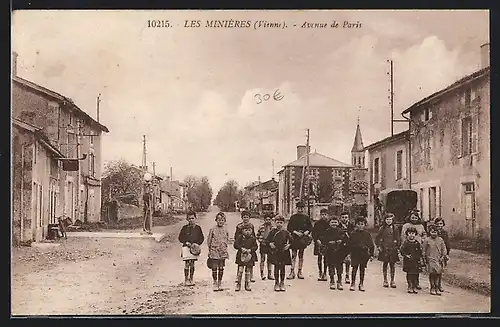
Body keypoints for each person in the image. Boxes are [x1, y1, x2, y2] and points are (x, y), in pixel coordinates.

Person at [400, 209, 426, 289]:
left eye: (415, 218)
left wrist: (423, 239)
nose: (414, 219)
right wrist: (405, 244)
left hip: (417, 247)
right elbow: (403, 236)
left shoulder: (421, 226)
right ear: (409, 217)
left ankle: (416, 283)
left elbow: (424, 234)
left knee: (417, 268)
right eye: (412, 217)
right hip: (408, 247)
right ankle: (410, 284)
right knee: (410, 269)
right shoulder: (406, 225)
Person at [347, 217, 375, 292]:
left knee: (362, 269)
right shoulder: (353, 234)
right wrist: (349, 254)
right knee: (354, 268)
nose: (360, 226)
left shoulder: (367, 234)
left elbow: (371, 245)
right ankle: (352, 283)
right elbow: (349, 245)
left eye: (362, 224)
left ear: (364, 225)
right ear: (356, 225)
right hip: (355, 253)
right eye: (358, 224)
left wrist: (371, 254)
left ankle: (361, 283)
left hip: (364, 254)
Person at [287, 201, 313, 279]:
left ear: (304, 209)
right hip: (294, 238)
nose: (300, 210)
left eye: (302, 208)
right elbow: (289, 227)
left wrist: (305, 233)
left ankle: (300, 271)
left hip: (302, 239)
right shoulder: (293, 217)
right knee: (293, 255)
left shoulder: (306, 217)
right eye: (299, 208)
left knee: (301, 255)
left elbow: (310, 227)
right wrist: (295, 232)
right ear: (296, 208)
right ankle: (292, 272)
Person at [321, 216, 349, 290]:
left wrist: (341, 242)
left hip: (339, 252)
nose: (334, 224)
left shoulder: (341, 231)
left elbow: (345, 240)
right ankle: (332, 281)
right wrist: (329, 242)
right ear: (329, 223)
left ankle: (339, 281)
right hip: (330, 252)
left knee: (339, 267)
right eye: (332, 222)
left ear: (338, 223)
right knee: (331, 266)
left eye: (335, 222)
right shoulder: (327, 231)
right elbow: (324, 240)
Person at [178, 211, 205, 286]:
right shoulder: (184, 228)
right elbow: (180, 237)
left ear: (195, 218)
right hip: (186, 248)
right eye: (189, 218)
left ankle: (191, 278)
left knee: (192, 263)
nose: (191, 220)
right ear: (187, 219)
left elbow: (201, 238)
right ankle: (186, 279)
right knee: (187, 263)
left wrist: (197, 244)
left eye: (192, 218)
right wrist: (185, 242)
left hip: (194, 249)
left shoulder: (198, 228)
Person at [267, 215, 293, 291]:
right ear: (275, 223)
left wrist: (289, 245)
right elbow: (267, 240)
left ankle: (282, 282)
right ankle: (276, 283)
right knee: (276, 268)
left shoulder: (286, 232)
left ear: (284, 223)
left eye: (281, 223)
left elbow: (292, 240)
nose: (279, 224)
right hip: (275, 252)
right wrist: (270, 244)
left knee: (282, 268)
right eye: (277, 222)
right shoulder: (272, 231)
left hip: (283, 252)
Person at [375, 213, 401, 288]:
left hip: (393, 248)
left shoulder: (395, 228)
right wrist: (379, 246)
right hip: (384, 249)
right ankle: (385, 280)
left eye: (390, 219)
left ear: (392, 220)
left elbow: (398, 238)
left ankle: (392, 280)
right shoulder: (382, 228)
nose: (389, 221)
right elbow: (377, 238)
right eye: (387, 219)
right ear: (385, 220)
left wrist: (397, 246)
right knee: (385, 264)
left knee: (392, 265)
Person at [422, 224, 448, 296]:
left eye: (435, 232)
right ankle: (432, 287)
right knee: (432, 274)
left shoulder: (440, 240)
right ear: (429, 232)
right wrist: (424, 258)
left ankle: (437, 287)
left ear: (438, 232)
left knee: (438, 274)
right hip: (430, 259)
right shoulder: (427, 240)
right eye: (432, 232)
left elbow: (444, 249)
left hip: (438, 259)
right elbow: (424, 250)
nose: (434, 233)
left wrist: (443, 256)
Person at [207, 212, 229, 291]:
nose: (220, 221)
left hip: (222, 251)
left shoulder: (225, 229)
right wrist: (210, 250)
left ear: (224, 221)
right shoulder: (212, 229)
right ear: (216, 220)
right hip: (214, 250)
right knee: (214, 267)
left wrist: (225, 248)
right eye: (219, 220)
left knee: (221, 267)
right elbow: (209, 241)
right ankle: (215, 282)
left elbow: (226, 239)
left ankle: (220, 283)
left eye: (222, 220)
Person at [400, 226, 424, 294]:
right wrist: (406, 255)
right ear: (407, 234)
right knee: (409, 274)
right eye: (410, 233)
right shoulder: (406, 243)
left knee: (416, 274)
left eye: (413, 233)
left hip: (416, 261)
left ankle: (414, 285)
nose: (411, 235)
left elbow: (420, 252)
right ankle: (410, 286)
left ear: (415, 234)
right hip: (408, 261)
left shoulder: (417, 243)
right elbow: (402, 250)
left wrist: (420, 257)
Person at [234, 225, 258, 292]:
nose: (247, 232)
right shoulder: (240, 238)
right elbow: (235, 245)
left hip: (249, 256)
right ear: (242, 231)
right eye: (246, 230)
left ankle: (247, 284)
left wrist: (250, 250)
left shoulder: (253, 238)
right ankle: (238, 284)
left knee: (248, 270)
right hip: (241, 256)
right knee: (240, 270)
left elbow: (255, 246)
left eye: (249, 230)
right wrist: (241, 248)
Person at [234, 211, 256, 283]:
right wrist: (239, 244)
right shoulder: (239, 226)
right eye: (244, 217)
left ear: (249, 218)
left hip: (249, 245)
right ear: (242, 218)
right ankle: (238, 276)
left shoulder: (251, 226)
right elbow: (236, 236)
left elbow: (253, 235)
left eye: (247, 217)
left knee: (250, 261)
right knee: (241, 261)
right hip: (242, 246)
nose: (245, 219)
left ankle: (251, 276)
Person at [312, 209, 331, 281]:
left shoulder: (329, 223)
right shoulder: (317, 223)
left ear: (327, 215)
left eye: (325, 214)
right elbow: (314, 233)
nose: (324, 216)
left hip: (326, 242)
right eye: (322, 214)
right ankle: (320, 272)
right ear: (320, 215)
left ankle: (325, 273)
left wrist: (327, 241)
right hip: (319, 242)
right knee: (319, 258)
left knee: (326, 258)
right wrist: (317, 240)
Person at [434, 217, 450, 292]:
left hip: (442, 254)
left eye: (441, 224)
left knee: (440, 270)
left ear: (443, 224)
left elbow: (447, 244)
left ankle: (439, 285)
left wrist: (447, 254)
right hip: (434, 253)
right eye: (437, 224)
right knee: (434, 270)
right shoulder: (433, 232)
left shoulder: (445, 233)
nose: (439, 225)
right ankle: (434, 285)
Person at [257, 215, 275, 280]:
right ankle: (262, 274)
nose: (268, 221)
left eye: (269, 219)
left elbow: (275, 237)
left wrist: (273, 243)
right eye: (266, 219)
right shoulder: (261, 227)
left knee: (270, 260)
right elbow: (258, 236)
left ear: (271, 220)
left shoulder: (273, 228)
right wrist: (260, 241)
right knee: (262, 259)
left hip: (270, 245)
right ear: (264, 220)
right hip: (263, 245)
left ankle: (269, 274)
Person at [338, 211, 354, 284]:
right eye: (343, 217)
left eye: (346, 217)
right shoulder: (338, 226)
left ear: (348, 218)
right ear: (340, 218)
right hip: (340, 246)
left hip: (349, 246)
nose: (344, 219)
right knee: (340, 261)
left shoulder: (351, 226)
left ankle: (347, 275)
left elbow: (353, 235)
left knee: (348, 261)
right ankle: (340, 276)